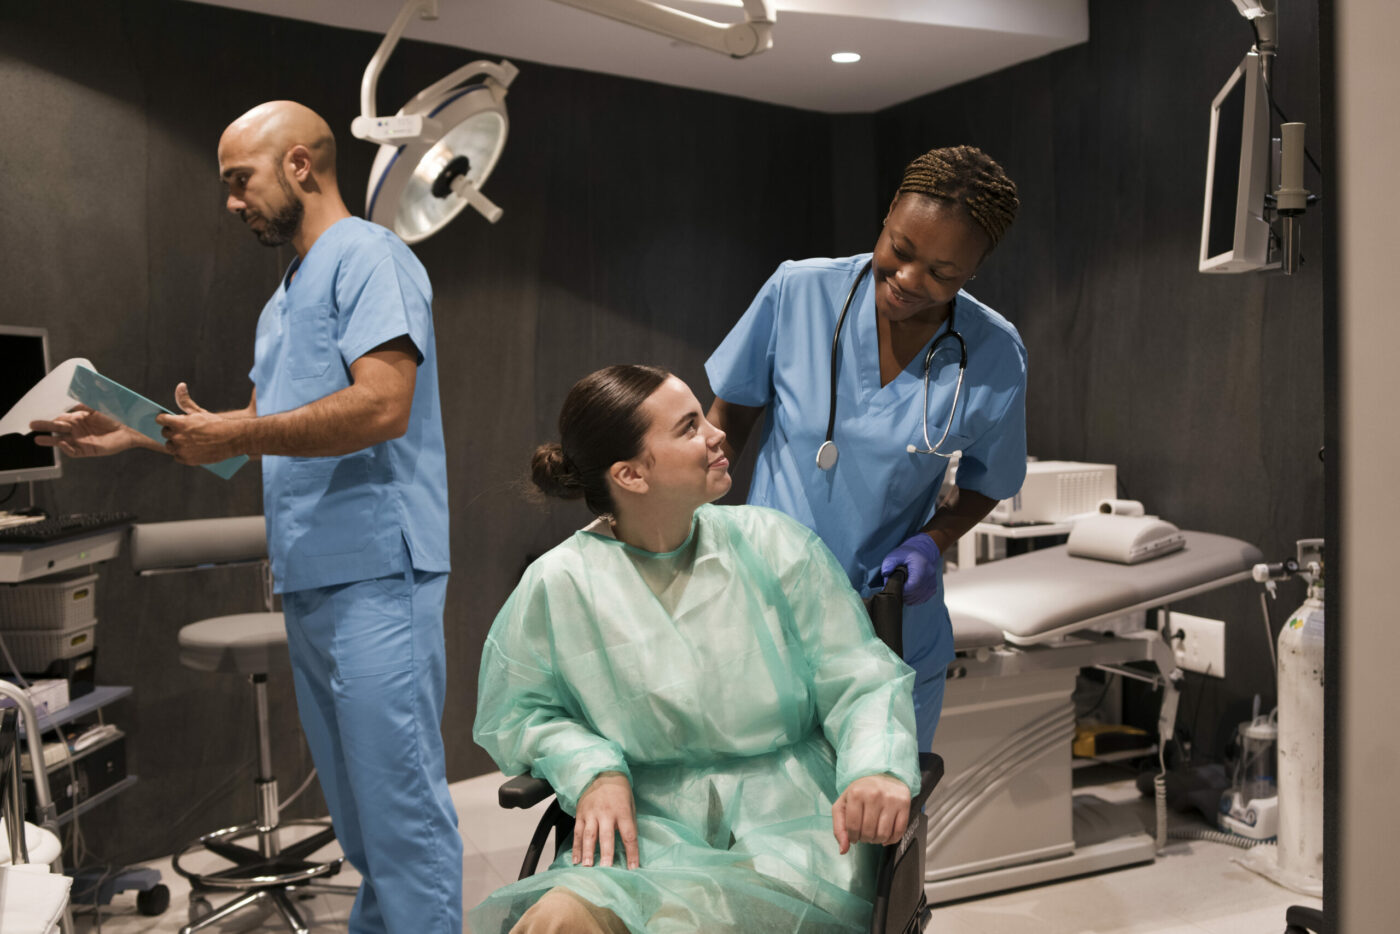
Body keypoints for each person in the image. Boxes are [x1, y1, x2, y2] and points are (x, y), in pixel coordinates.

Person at [32, 101, 461, 934]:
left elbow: (382, 406)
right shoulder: (280, 302)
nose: (232, 202)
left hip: (379, 569)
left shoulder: (371, 258)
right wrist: (135, 432)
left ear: (301, 165)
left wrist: (240, 428)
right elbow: (249, 444)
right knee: (362, 824)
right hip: (308, 575)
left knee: (400, 814)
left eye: (241, 181)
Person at [471, 365, 921, 934]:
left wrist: (875, 768)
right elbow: (523, 712)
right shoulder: (560, 584)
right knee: (553, 924)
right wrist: (592, 769)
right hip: (650, 826)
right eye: (689, 428)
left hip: (789, 825)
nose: (716, 435)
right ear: (631, 475)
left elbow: (861, 678)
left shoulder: (772, 545)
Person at [704, 145, 1028, 752]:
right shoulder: (797, 291)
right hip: (766, 611)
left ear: (973, 273)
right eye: (900, 251)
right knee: (765, 818)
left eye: (942, 274)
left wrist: (932, 542)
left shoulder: (994, 353)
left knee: (883, 829)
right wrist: (691, 525)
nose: (908, 281)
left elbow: (991, 480)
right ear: (886, 219)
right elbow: (729, 417)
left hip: (889, 622)